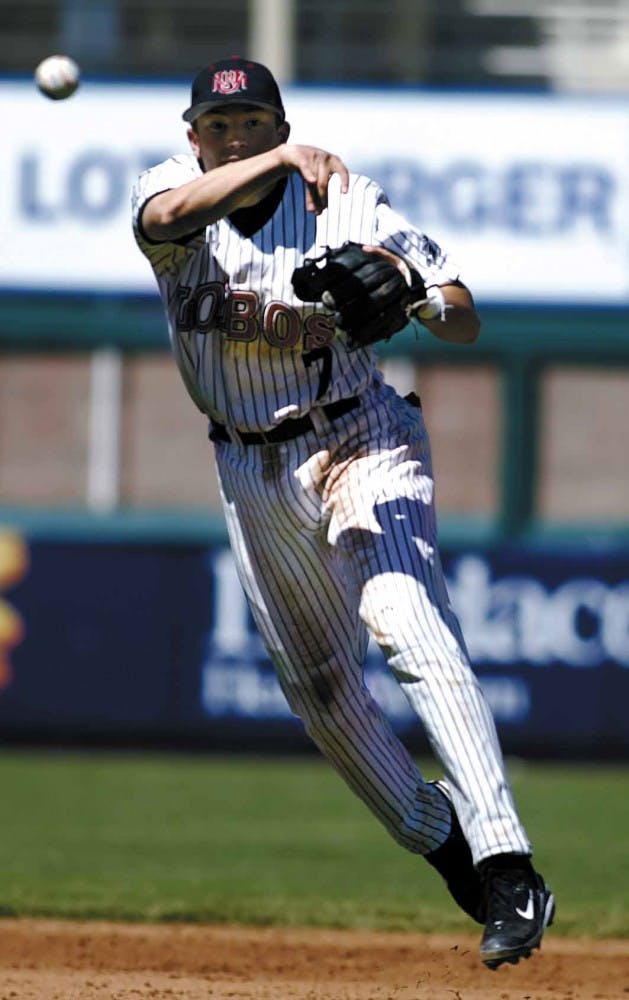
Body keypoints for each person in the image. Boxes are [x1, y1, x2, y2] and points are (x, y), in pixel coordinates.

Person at [131, 56, 554, 969]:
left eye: (253, 125)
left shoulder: (346, 199)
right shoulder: (170, 190)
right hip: (250, 466)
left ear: (278, 125)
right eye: (218, 125)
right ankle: (447, 849)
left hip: (363, 435)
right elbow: (166, 221)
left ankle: (508, 859)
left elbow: (461, 314)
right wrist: (283, 165)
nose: (233, 137)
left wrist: (408, 290)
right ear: (191, 135)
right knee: (321, 697)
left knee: (404, 618)